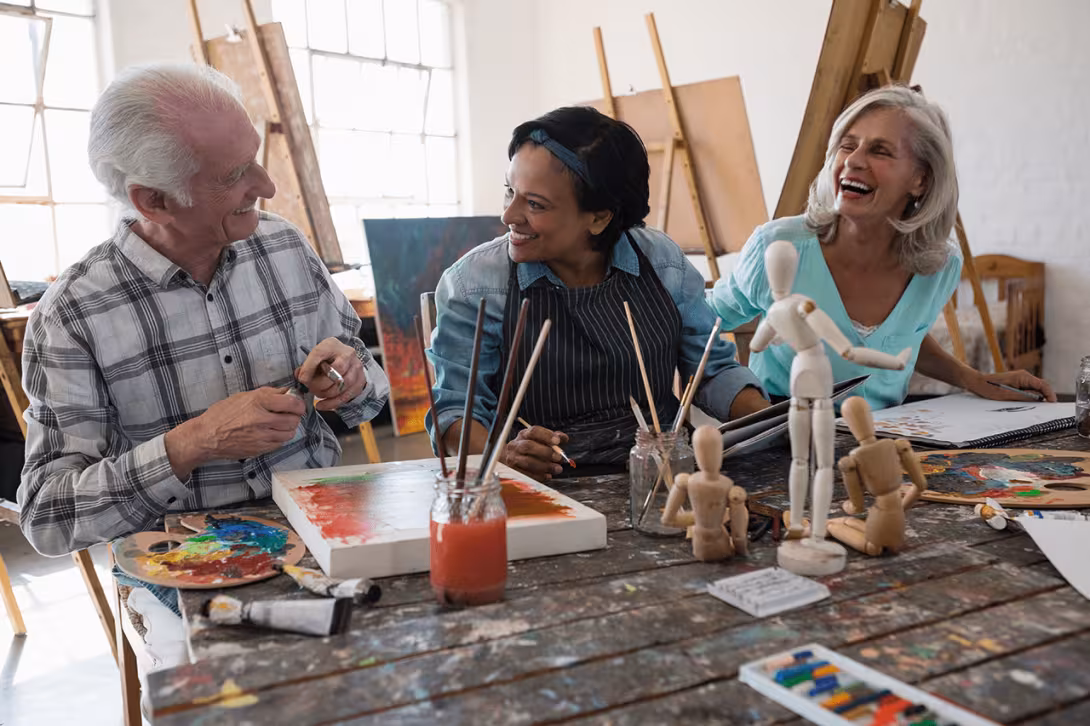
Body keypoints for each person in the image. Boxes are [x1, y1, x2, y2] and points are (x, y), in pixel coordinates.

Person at [18, 63, 390, 558]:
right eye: (234, 175)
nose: (267, 186)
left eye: (254, 158)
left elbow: (370, 396)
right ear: (153, 201)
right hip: (183, 560)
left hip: (321, 528)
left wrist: (351, 380)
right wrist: (193, 442)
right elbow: (48, 518)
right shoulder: (72, 315)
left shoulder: (284, 246)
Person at [428, 106, 768, 480]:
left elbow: (710, 371)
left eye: (535, 204)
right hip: (541, 485)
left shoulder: (661, 262)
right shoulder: (475, 284)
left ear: (599, 217)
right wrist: (502, 456)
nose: (508, 216)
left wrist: (777, 422)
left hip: (660, 476)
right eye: (510, 191)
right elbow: (455, 412)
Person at [710, 85, 1054, 411]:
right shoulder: (777, 247)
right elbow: (700, 323)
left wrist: (973, 379)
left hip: (882, 438)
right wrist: (742, 403)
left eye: (880, 151)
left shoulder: (940, 267)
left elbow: (905, 337)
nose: (854, 161)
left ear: (921, 180)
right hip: (784, 433)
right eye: (847, 145)